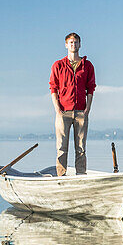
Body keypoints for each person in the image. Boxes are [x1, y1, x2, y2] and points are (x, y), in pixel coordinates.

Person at [49, 33, 96, 176]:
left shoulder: (87, 65)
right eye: (70, 43)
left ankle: (81, 175)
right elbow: (53, 87)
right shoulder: (58, 65)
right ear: (66, 45)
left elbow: (91, 87)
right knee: (62, 147)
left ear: (80, 45)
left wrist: (88, 108)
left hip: (81, 112)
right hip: (63, 112)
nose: (73, 45)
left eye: (76, 42)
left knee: (81, 147)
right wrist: (57, 108)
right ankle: (61, 176)